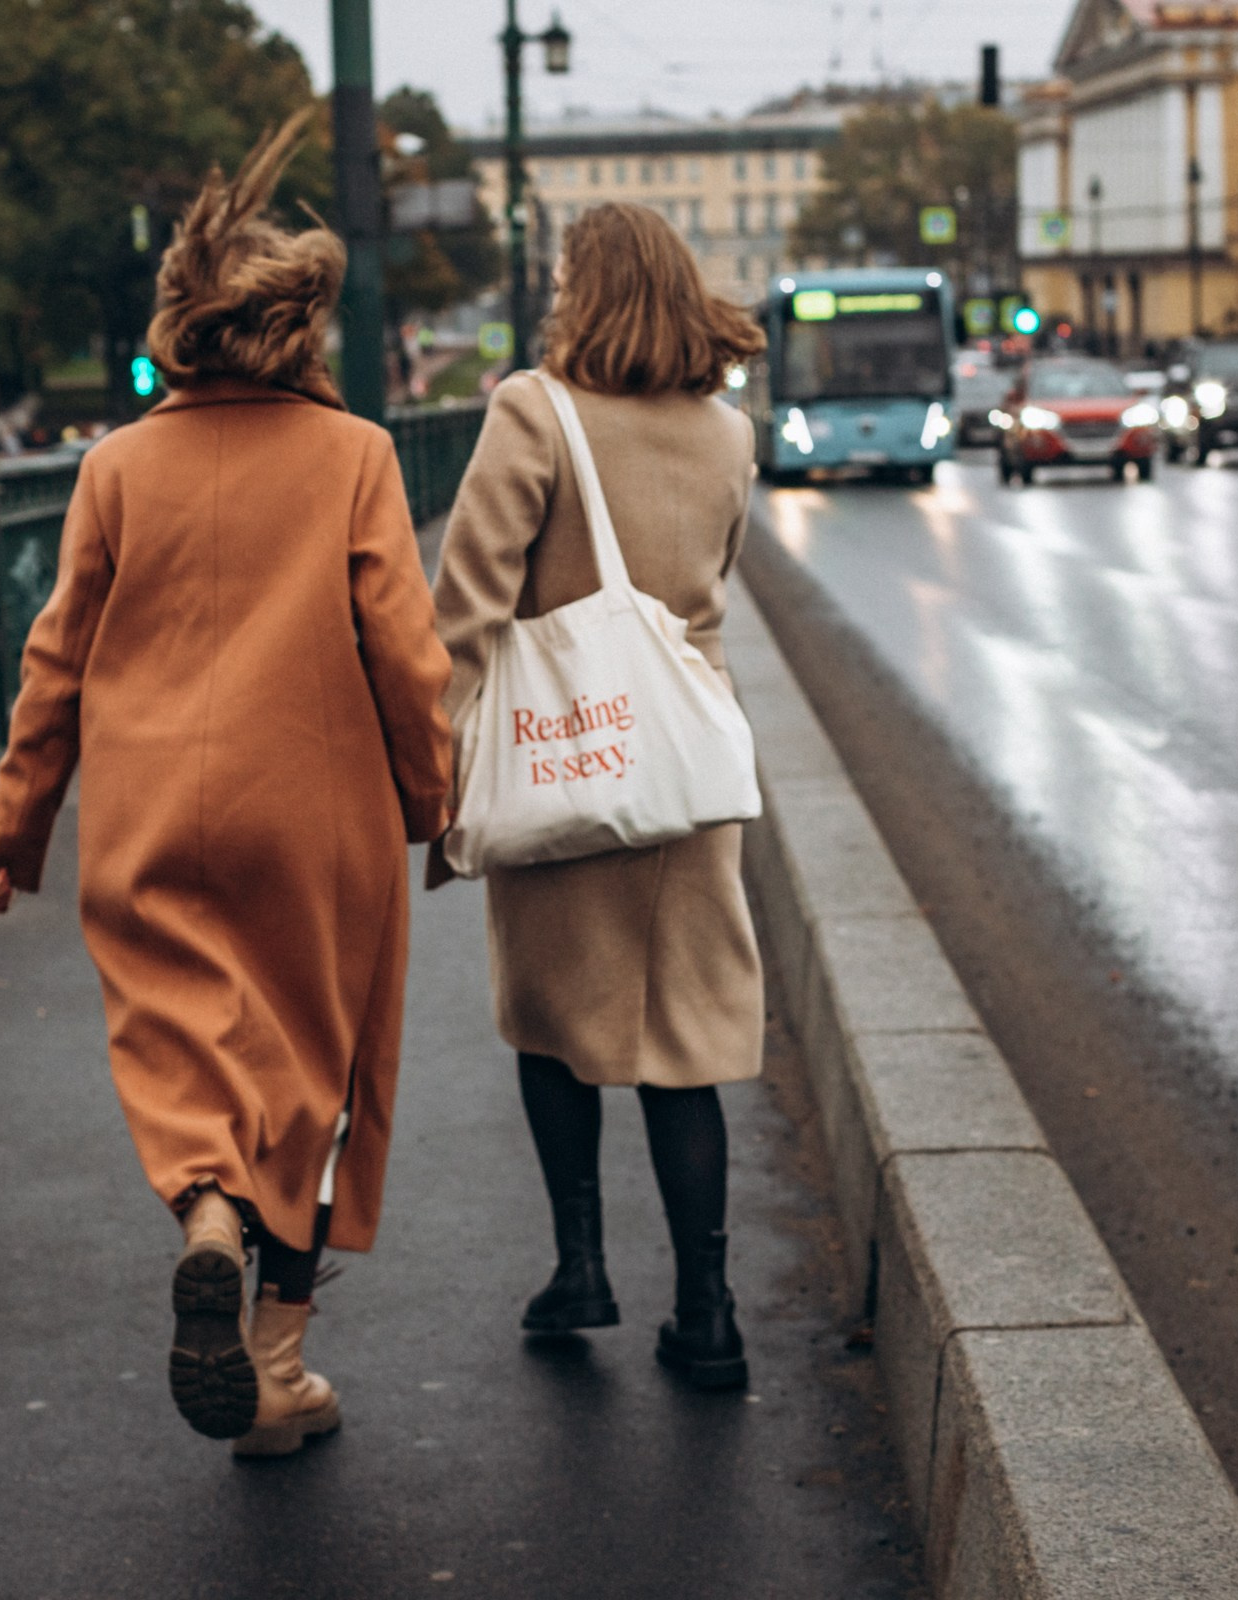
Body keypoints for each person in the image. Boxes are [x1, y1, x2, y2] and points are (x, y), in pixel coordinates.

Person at [0, 110, 454, 1457]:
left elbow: (53, 663)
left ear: (182, 321)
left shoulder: (114, 466)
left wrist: (14, 828)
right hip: (316, 811)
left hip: (145, 807)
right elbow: (406, 654)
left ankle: (203, 1210)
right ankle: (277, 1371)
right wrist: (436, 802)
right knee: (306, 1062)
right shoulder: (353, 457)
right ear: (298, 331)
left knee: (181, 1041)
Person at [428, 201, 767, 1391]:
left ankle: (582, 1268)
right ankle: (709, 1312)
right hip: (683, 768)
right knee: (686, 1043)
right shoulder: (728, 434)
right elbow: (708, 587)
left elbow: (466, 606)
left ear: (583, 287)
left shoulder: (536, 410)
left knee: (553, 1024)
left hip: (563, 757)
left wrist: (436, 770)